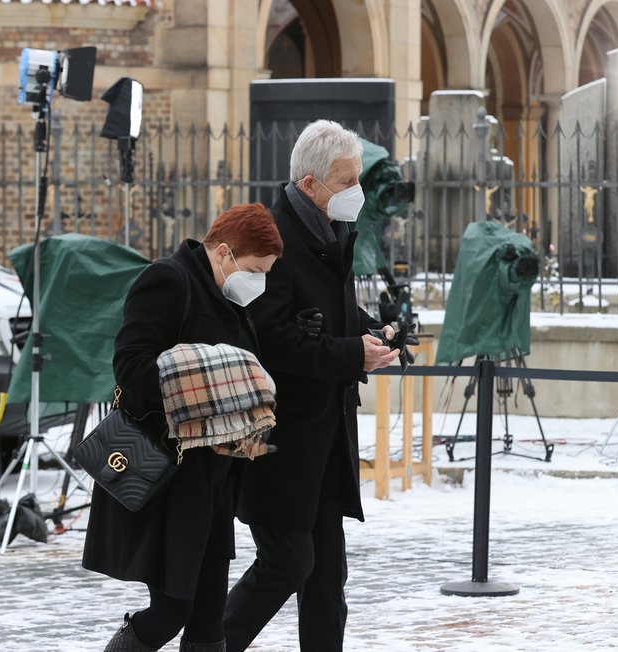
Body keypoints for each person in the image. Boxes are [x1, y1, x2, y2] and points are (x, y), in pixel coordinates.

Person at [224, 119, 400, 651]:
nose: (356, 192)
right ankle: (209, 645)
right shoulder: (271, 239)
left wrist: (368, 329)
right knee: (287, 562)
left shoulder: (331, 231)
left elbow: (324, 313)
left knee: (327, 577)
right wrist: (353, 353)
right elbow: (273, 342)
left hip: (324, 437)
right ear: (310, 185)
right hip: (279, 439)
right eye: (346, 181)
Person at [82, 202, 284, 652]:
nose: (259, 282)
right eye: (255, 269)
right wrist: (208, 397)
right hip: (171, 478)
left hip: (215, 481)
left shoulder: (231, 298)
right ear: (225, 253)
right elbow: (131, 366)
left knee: (209, 624)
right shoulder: (168, 280)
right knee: (174, 609)